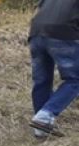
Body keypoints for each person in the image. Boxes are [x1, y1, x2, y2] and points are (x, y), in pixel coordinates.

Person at [28, 0, 79, 138]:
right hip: (62, 32)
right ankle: (45, 115)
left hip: (36, 32)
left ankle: (41, 128)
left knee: (42, 80)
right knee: (75, 79)